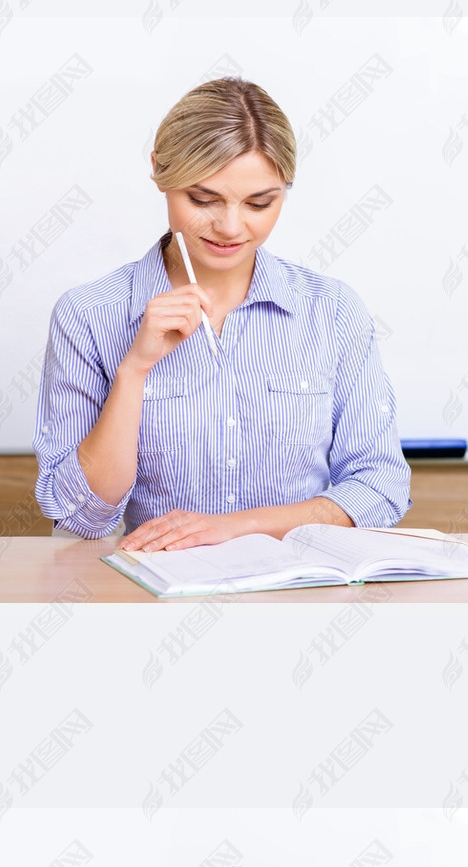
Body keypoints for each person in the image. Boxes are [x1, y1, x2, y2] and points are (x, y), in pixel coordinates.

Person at [32, 77, 411, 550]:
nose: (231, 227)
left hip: (300, 593)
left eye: (260, 203)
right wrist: (135, 370)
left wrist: (237, 527)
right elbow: (82, 516)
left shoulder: (331, 312)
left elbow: (379, 488)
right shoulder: (89, 316)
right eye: (204, 199)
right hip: (159, 596)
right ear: (159, 172)